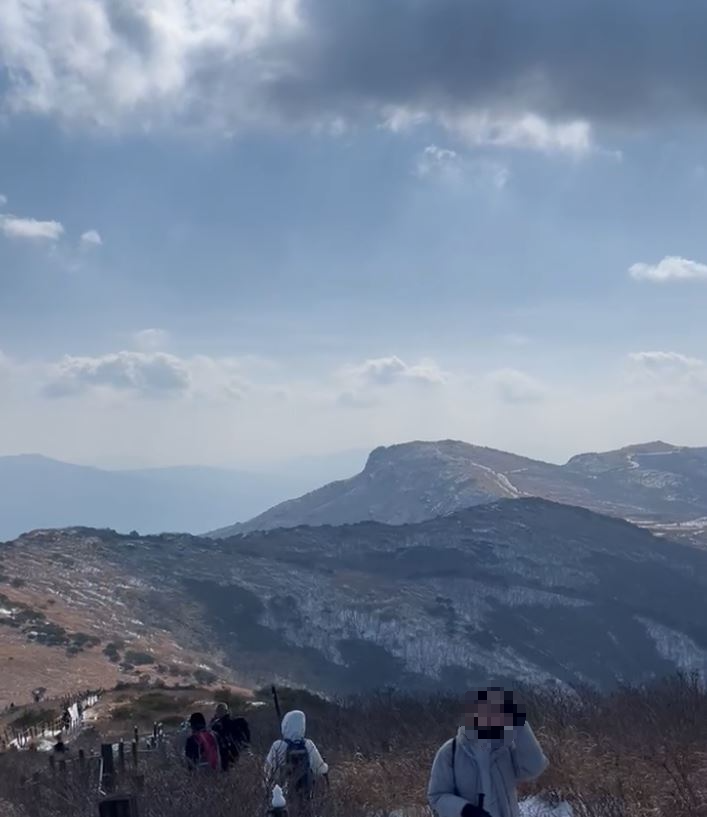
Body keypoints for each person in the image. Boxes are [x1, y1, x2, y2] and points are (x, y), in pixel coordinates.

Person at [428, 688, 548, 817]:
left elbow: (534, 768)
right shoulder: (450, 752)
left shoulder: (506, 748)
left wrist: (520, 726)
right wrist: (465, 809)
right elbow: (437, 797)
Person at [265, 710, 328, 802]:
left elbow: (268, 770)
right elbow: (320, 768)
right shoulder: (308, 744)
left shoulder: (278, 745)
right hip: (305, 792)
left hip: (282, 793)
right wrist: (325, 766)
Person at [211, 702, 251, 771]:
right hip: (237, 752)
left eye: (220, 711)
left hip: (229, 754)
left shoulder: (219, 725)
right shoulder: (236, 722)